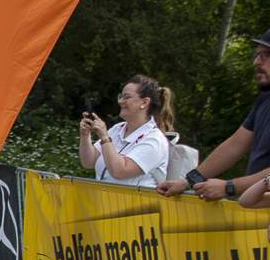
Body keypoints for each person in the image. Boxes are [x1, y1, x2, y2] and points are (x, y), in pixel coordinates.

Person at [157, 29, 270, 201]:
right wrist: (188, 181)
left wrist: (229, 187)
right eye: (257, 54)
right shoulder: (265, 100)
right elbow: (234, 146)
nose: (256, 62)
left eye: (265, 55)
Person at [79, 74, 173, 187]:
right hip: (104, 201)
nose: (120, 101)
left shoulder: (155, 140)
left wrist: (105, 138)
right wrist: (85, 135)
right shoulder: (117, 129)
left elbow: (120, 172)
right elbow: (89, 162)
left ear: (144, 102)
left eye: (127, 97)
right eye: (121, 96)